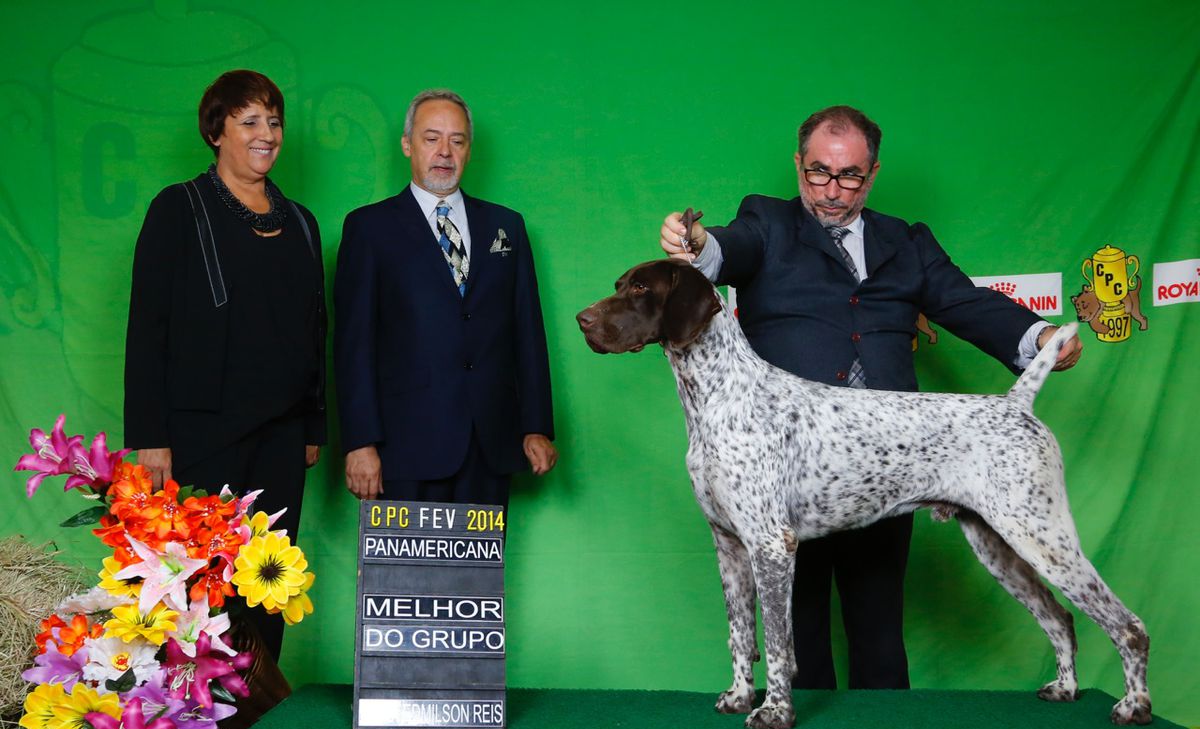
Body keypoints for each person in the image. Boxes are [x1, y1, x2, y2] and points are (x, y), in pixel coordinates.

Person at [660, 105, 1081, 691]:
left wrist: (1036, 339)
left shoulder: (906, 242)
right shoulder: (767, 221)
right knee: (800, 638)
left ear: (874, 173)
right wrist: (699, 244)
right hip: (786, 461)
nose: (832, 190)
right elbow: (726, 250)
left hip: (889, 461)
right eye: (818, 173)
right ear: (798, 165)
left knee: (880, 635)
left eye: (850, 176)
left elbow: (965, 303)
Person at [124, 69, 326, 663]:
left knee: (268, 581)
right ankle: (192, 723)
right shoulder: (177, 208)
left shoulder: (303, 222)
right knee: (198, 583)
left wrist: (313, 427)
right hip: (202, 433)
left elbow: (317, 331)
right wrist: (150, 437)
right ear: (217, 132)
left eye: (274, 121)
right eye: (250, 122)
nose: (267, 134)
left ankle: (257, 715)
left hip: (284, 434)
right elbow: (146, 327)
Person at [334, 89, 556, 511]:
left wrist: (536, 426)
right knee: (402, 579)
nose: (444, 152)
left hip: (488, 445)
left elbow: (527, 330)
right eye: (431, 138)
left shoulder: (505, 225)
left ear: (469, 150)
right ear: (407, 145)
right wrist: (360, 442)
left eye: (457, 140)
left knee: (477, 578)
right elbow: (353, 345)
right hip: (402, 449)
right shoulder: (368, 228)